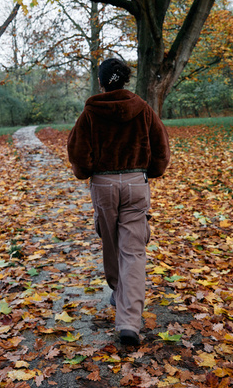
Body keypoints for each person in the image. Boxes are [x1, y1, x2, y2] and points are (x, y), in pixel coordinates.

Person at [67, 58, 171, 346]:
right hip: (136, 184)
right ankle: (129, 320)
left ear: (101, 82)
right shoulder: (145, 110)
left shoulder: (90, 113)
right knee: (133, 251)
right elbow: (161, 150)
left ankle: (119, 295)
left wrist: (84, 172)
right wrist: (148, 172)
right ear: (125, 81)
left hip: (104, 185)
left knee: (111, 241)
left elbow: (78, 156)